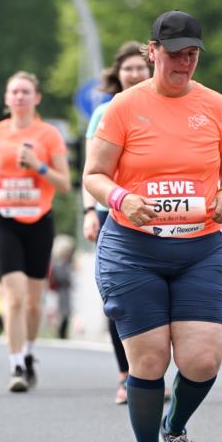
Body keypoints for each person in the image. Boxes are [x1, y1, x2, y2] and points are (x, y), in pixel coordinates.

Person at [84, 10, 222, 442]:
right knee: (150, 361)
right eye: (175, 54)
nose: (185, 62)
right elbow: (94, 174)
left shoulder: (215, 105)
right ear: (152, 52)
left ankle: (174, 428)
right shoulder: (123, 107)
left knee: (201, 360)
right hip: (133, 250)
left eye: (193, 54)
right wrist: (122, 199)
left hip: (199, 248)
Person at [0, 71, 71, 391]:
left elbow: (65, 184)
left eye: (25, 91)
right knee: (13, 296)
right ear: (6, 99)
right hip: (5, 219)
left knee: (33, 301)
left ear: (36, 98)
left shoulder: (49, 135)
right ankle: (15, 364)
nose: (19, 96)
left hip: (39, 220)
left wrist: (37, 165)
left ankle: (29, 353)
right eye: (14, 91)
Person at [82, 41, 151, 403]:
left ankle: (151, 373)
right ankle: (127, 374)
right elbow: (91, 170)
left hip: (156, 213)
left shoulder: (163, 108)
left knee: (154, 295)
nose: (135, 74)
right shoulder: (104, 112)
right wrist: (88, 212)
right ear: (118, 74)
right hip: (112, 213)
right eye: (128, 68)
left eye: (141, 67)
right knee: (121, 297)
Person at [49, 234, 75, 339]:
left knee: (64, 314)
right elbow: (61, 277)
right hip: (60, 292)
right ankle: (60, 334)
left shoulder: (63, 263)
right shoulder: (59, 264)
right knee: (61, 314)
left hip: (63, 292)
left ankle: (62, 334)